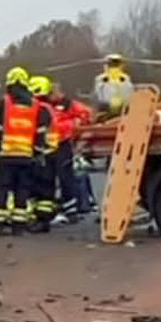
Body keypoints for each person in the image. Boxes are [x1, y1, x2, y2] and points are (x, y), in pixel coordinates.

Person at [0, 66, 50, 234]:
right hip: (26, 157)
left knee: (2, 190)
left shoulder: (4, 104)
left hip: (6, 156)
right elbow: (40, 133)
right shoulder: (37, 106)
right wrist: (37, 152)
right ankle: (19, 227)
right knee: (22, 191)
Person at [51, 84, 93, 220]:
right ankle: (76, 204)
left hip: (65, 143)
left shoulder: (69, 105)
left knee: (68, 176)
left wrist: (74, 127)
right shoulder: (47, 105)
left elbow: (85, 115)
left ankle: (77, 206)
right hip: (53, 144)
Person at [28, 75, 58, 232]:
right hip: (49, 151)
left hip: (44, 153)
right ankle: (43, 219)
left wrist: (36, 150)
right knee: (45, 188)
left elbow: (40, 131)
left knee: (42, 188)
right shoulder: (47, 107)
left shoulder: (41, 108)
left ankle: (42, 220)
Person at [93, 53, 133, 119]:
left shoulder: (125, 78)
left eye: (115, 64)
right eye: (112, 64)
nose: (114, 66)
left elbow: (129, 92)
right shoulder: (101, 79)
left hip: (123, 109)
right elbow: (97, 94)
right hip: (106, 110)